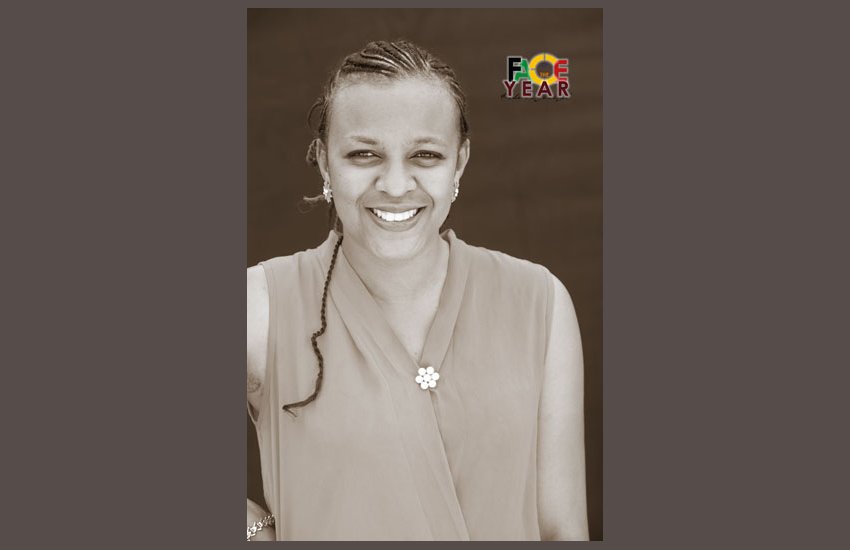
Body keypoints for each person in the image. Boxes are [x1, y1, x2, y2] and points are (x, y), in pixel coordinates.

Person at [247, 40, 588, 541]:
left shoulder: (540, 301)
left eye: (425, 155)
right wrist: (256, 534)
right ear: (323, 162)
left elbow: (562, 527)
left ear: (459, 162)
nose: (395, 184)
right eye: (363, 154)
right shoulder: (260, 305)